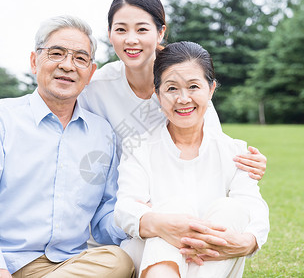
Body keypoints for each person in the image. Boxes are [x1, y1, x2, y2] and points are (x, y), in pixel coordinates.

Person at [0, 0, 267, 258]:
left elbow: (211, 151)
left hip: (180, 205)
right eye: (121, 29)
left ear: (161, 32)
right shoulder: (96, 85)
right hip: (127, 212)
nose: (131, 39)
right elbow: (56, 92)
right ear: (110, 34)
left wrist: (248, 164)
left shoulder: (186, 85)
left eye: (142, 29)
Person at [0, 15, 135, 278]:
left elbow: (103, 218)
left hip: (64, 267)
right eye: (56, 53)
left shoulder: (102, 133)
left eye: (80, 58)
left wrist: (140, 218)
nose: (67, 65)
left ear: (90, 73)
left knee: (117, 261)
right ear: (34, 61)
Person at [114, 41, 270, 278]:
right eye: (172, 89)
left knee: (232, 209)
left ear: (211, 89)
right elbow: (125, 208)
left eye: (193, 86)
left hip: (214, 261)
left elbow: (253, 207)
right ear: (157, 94)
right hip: (150, 257)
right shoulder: (139, 148)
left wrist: (250, 242)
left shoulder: (234, 151)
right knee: (174, 211)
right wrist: (162, 224)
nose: (183, 99)